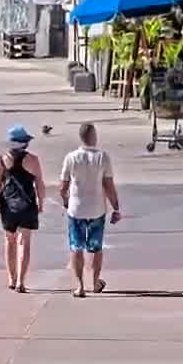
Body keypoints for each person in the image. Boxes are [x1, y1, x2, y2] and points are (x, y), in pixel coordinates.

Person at [58, 122, 121, 298]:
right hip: (97, 210)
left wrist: (65, 200)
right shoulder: (103, 157)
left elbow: (62, 187)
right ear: (93, 137)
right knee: (95, 248)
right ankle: (95, 281)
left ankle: (79, 286)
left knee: (76, 247)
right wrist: (116, 208)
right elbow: (109, 186)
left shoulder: (71, 158)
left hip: (76, 210)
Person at [0, 125, 45, 292]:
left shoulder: (1, 160)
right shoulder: (33, 160)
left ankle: (11, 279)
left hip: (7, 206)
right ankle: (21, 281)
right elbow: (39, 184)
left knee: (9, 241)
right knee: (24, 242)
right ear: (24, 143)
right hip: (27, 206)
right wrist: (41, 203)